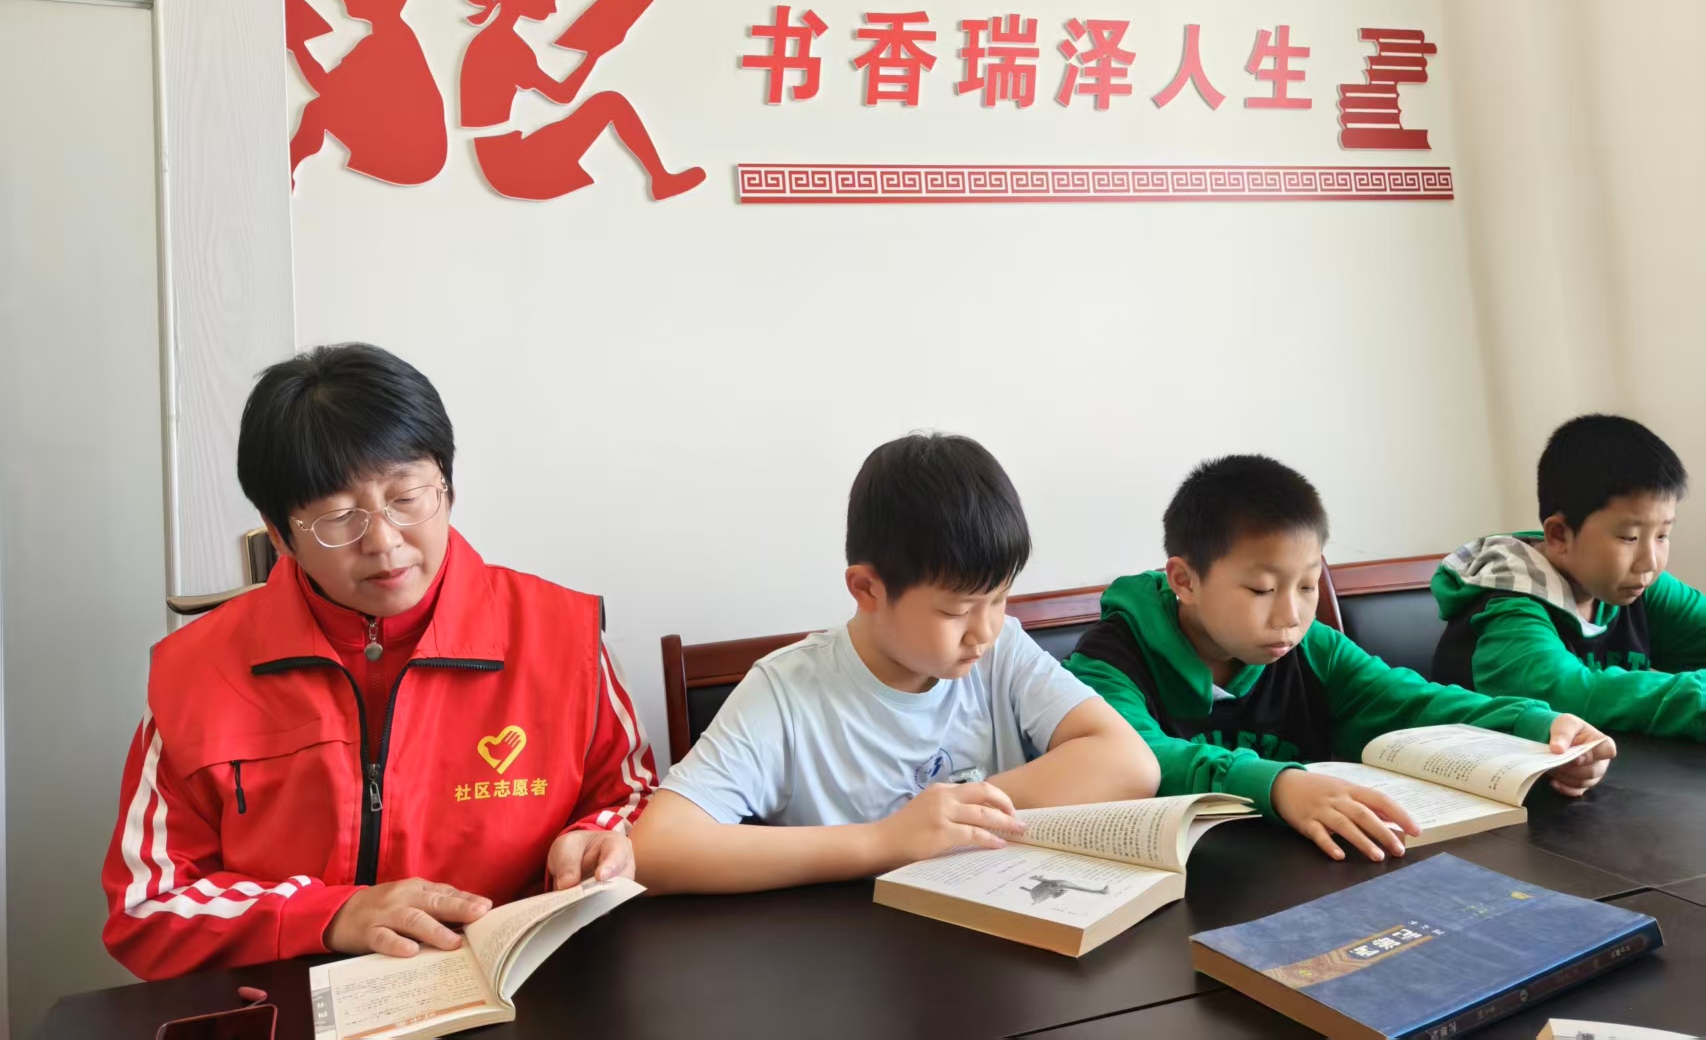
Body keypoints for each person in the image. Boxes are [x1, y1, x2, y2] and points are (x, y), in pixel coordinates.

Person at [101, 344, 656, 979]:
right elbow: (149, 905)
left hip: (527, 990)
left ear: (447, 487)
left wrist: (600, 839)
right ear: (280, 534)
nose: (384, 542)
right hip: (297, 1000)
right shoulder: (198, 673)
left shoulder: (560, 636)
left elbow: (632, 797)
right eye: (339, 516)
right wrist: (331, 914)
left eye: (407, 496)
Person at [631, 433, 1160, 893]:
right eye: (956, 611)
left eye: (1000, 599)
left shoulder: (1001, 652)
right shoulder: (785, 693)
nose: (984, 630)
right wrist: (885, 839)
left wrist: (958, 813)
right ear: (868, 589)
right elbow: (655, 849)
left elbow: (1130, 764)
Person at [1065, 455, 1616, 862]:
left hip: (1316, 879)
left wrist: (1536, 727)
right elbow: (1136, 760)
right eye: (1261, 590)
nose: (1290, 616)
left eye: (1307, 586)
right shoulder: (1108, 661)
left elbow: (1412, 703)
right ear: (1185, 580)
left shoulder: (1311, 646)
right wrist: (1279, 785)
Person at [1434, 414, 1706, 738]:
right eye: (1629, 537)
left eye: (1662, 535)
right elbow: (1566, 693)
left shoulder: (1635, 585)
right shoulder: (1509, 606)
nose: (1649, 562)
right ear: (1559, 535)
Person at [458, 0, 704, 202]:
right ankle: (661, 179)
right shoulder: (505, 46)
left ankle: (661, 179)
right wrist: (594, 53)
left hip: (500, 159)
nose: (554, 8)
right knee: (609, 103)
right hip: (512, 166)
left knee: (606, 104)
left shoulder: (493, 40)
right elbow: (562, 95)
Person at [287, 0, 448, 188]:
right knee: (321, 108)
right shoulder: (393, 36)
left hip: (410, 158)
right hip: (417, 153)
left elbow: (325, 88)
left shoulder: (386, 43)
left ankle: (287, 167)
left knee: (319, 110)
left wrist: (297, 46)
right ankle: (289, 165)